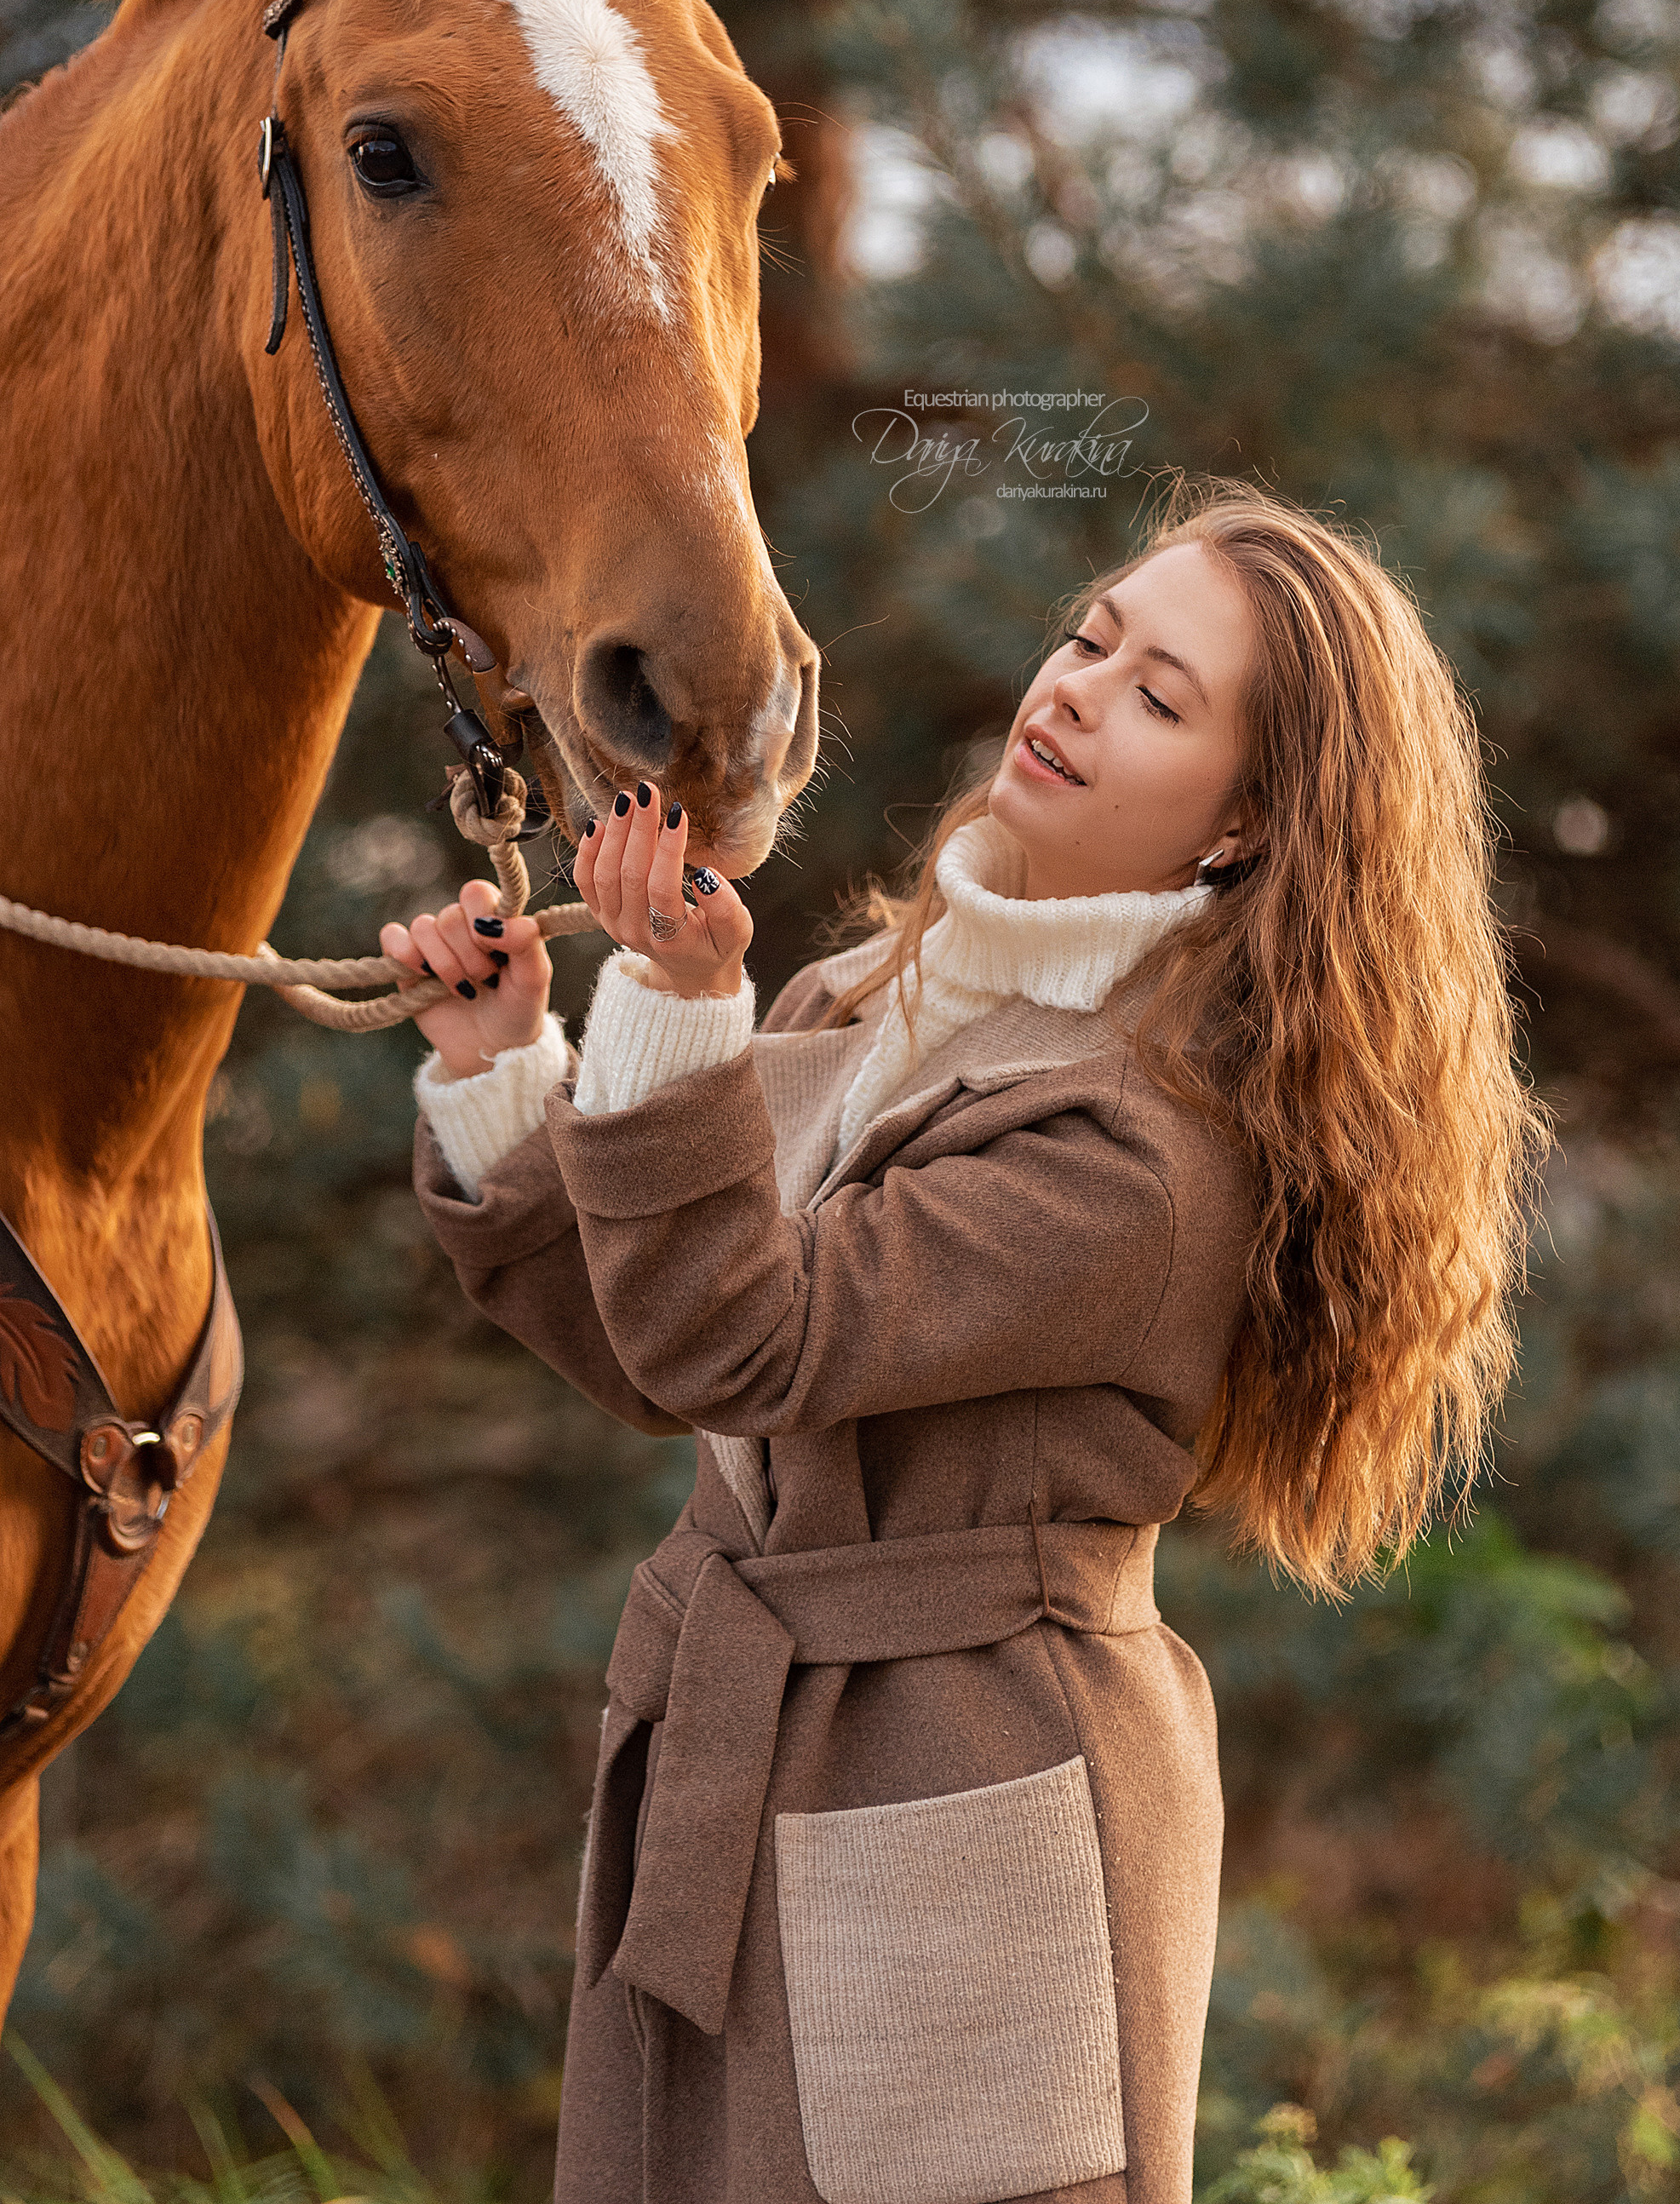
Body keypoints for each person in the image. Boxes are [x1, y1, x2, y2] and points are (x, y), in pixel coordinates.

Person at [382, 484, 1544, 2204]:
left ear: (1243, 827)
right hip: (748, 1748)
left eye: (1160, 696)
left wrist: (677, 1010)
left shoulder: (1144, 1155)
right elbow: (664, 1358)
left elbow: (743, 1337)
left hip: (974, 1785)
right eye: (1092, 637)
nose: (1073, 687)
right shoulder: (865, 999)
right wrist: (511, 1068)